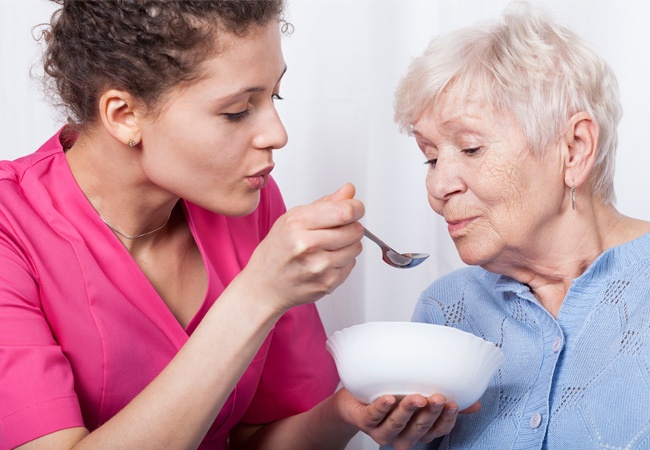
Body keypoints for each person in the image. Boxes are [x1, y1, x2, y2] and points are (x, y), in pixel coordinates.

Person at [0, 1, 466, 449]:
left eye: (274, 95)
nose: (277, 134)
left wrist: (344, 413)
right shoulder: (10, 224)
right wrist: (258, 294)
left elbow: (257, 438)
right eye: (237, 111)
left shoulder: (248, 201)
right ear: (124, 116)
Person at [386, 1, 650, 449]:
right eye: (430, 157)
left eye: (470, 148)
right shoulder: (445, 310)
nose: (438, 185)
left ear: (574, 148)